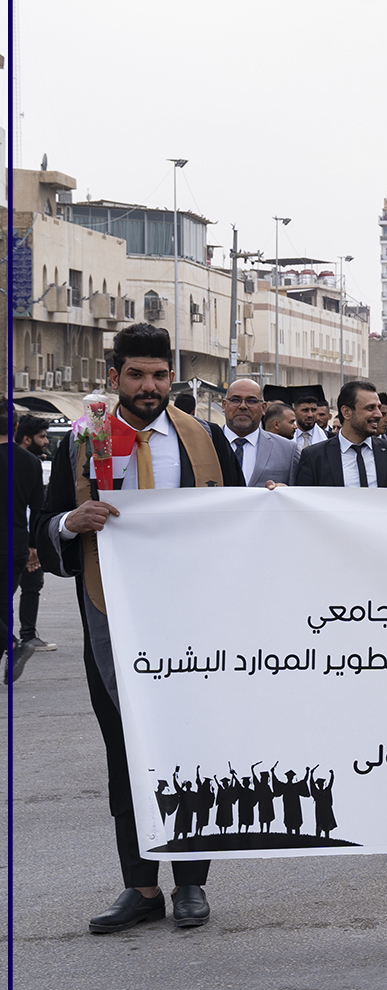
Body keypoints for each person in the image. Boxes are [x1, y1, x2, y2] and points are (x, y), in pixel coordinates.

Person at [33, 324, 244, 932]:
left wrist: (271, 502)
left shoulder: (204, 438)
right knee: (126, 749)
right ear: (114, 377)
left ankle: (191, 882)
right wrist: (71, 521)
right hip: (112, 614)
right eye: (136, 375)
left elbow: (240, 517)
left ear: (171, 377)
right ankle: (141, 886)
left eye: (159, 375)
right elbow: (47, 525)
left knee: (192, 747)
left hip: (191, 618)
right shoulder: (84, 440)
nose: (149, 386)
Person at [293, 380, 387, 488]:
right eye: (370, 408)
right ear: (346, 412)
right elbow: (304, 496)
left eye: (378, 408)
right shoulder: (314, 457)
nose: (378, 415)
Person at [9, 413, 47, 679]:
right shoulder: (31, 463)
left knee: (29, 588)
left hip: (21, 539)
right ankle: (18, 641)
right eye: (42, 437)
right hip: (22, 540)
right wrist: (34, 546)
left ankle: (22, 638)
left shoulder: (31, 461)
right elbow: (39, 506)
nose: (45, 442)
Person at [219, 378, 299, 488]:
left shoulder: (288, 450)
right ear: (224, 405)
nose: (243, 406)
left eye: (251, 401)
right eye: (235, 400)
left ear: (263, 408)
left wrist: (285, 492)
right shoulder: (205, 445)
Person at [287, 387, 328, 452]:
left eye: (313, 410)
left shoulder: (328, 438)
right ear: (294, 411)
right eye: (305, 410)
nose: (310, 415)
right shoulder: (285, 436)